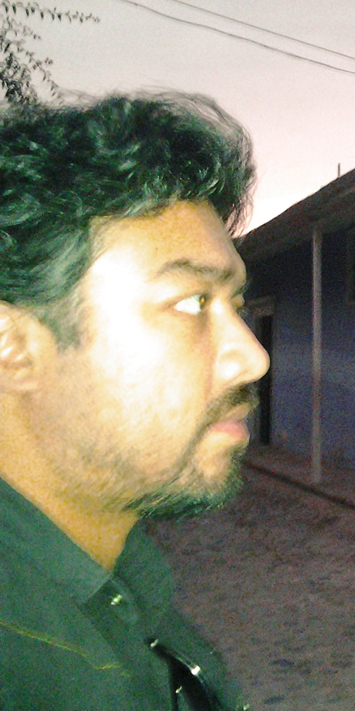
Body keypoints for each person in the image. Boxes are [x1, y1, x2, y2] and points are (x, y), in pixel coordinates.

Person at [0, 93, 270, 710]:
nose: (252, 357)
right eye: (192, 302)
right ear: (13, 348)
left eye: (235, 305)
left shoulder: (120, 585)